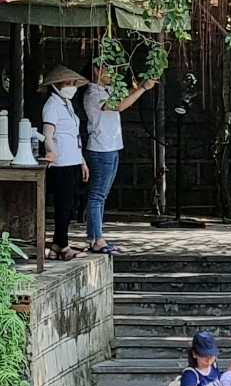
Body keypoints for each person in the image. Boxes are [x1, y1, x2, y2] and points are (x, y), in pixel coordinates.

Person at [83, 62, 155, 254]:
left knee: (101, 195)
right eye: (107, 69)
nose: (112, 74)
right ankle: (97, 239)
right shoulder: (94, 93)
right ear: (96, 71)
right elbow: (120, 106)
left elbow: (124, 95)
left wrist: (141, 81)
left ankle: (96, 236)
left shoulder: (107, 89)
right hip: (101, 149)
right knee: (97, 195)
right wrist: (143, 88)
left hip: (112, 147)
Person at [40, 65, 88, 261]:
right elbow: (48, 134)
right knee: (63, 205)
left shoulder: (67, 105)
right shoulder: (51, 106)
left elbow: (73, 135)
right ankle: (63, 244)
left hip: (72, 159)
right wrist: (51, 152)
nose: (72, 86)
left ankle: (57, 245)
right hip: (61, 163)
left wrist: (82, 160)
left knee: (68, 204)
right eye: (68, 83)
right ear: (57, 85)